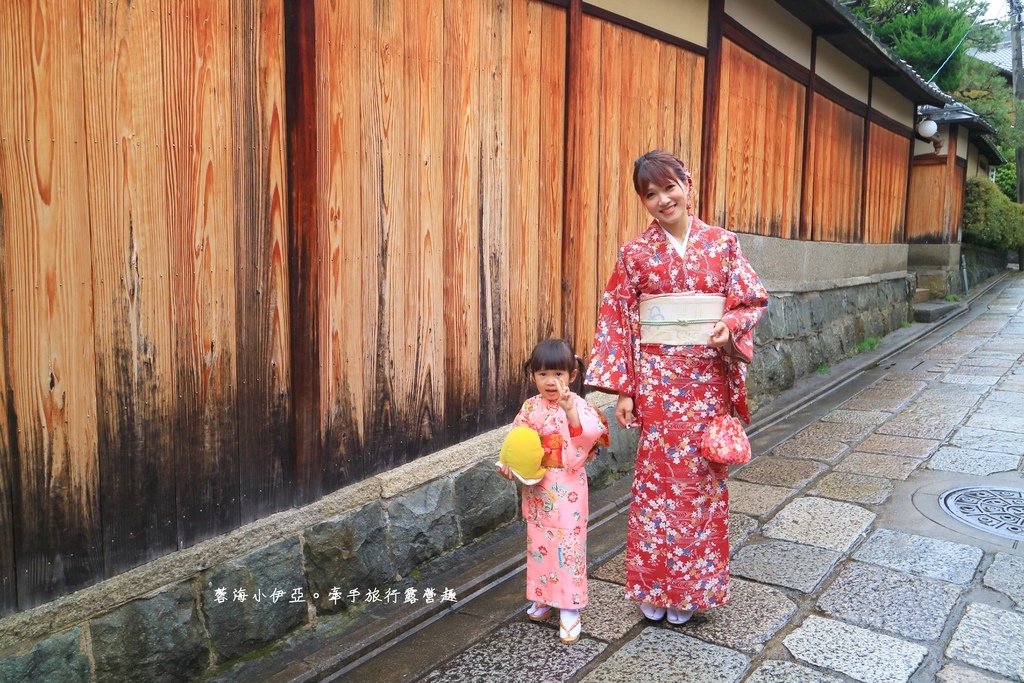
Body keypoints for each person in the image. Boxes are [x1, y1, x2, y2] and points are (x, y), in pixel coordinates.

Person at [585, 150, 767, 624]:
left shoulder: (723, 244)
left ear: (688, 183)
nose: (663, 200)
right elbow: (619, 319)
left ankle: (691, 590)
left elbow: (750, 298)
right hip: (659, 384)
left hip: (707, 381)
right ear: (643, 201)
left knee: (700, 486)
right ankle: (652, 584)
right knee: (657, 486)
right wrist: (624, 389)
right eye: (651, 194)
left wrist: (730, 324)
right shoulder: (635, 253)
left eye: (670, 187)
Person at [498, 339, 609, 644]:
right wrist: (510, 465)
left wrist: (571, 411)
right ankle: (544, 597)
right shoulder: (530, 407)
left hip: (567, 487)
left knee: (568, 546)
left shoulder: (579, 405)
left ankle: (570, 607)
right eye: (543, 374)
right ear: (533, 375)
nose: (550, 382)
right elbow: (517, 440)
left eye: (558, 374)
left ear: (572, 375)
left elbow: (588, 438)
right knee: (540, 543)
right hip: (539, 487)